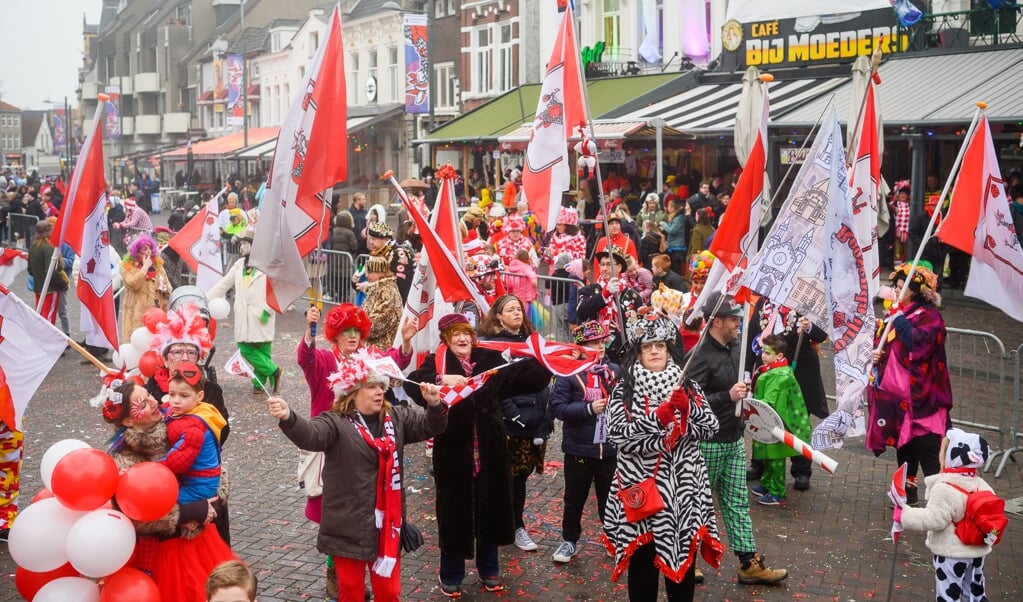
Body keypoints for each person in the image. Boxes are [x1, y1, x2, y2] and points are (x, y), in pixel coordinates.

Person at [270, 349, 447, 602]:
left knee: (390, 593)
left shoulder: (395, 417)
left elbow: (431, 426)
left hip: (388, 525)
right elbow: (310, 435)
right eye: (370, 387)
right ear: (352, 392)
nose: (379, 392)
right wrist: (289, 417)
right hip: (348, 524)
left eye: (380, 386)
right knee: (351, 592)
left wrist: (434, 405)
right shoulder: (335, 422)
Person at [403, 313, 553, 597]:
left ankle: (490, 570)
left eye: (466, 333)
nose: (462, 339)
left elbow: (525, 379)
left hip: (491, 450)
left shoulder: (489, 359)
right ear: (446, 339)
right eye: (455, 335)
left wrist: (547, 360)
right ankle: (451, 573)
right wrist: (440, 379)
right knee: (454, 513)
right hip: (453, 451)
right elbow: (412, 383)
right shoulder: (438, 360)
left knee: (490, 509)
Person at [299, 303, 417, 598]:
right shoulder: (325, 359)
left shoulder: (372, 359)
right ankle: (336, 569)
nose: (352, 337)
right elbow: (306, 359)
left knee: (365, 504)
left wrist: (405, 341)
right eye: (345, 332)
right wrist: (309, 333)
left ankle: (360, 567)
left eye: (356, 331)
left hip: (365, 449)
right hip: (329, 443)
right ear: (335, 336)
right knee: (335, 509)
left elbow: (394, 363)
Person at [604, 314, 724, 601]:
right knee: (643, 568)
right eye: (648, 347)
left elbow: (710, 427)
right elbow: (618, 435)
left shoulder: (688, 386)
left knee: (682, 573)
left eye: (660, 345)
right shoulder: (624, 390)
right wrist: (657, 419)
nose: (655, 351)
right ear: (638, 352)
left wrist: (688, 411)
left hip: (683, 495)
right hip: (642, 495)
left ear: (669, 349)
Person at [685, 291, 788, 585]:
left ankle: (749, 563)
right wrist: (726, 397)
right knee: (696, 504)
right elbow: (690, 400)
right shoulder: (699, 356)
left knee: (737, 503)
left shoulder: (736, 347)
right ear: (716, 321)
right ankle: (687, 560)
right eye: (733, 319)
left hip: (733, 439)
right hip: (707, 443)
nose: (738, 324)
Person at [101, 377, 236, 602]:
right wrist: (189, 512)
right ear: (126, 420)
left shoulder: (178, 424)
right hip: (163, 551)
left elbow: (212, 466)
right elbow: (133, 514)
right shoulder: (122, 457)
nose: (153, 402)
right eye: (142, 404)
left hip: (198, 540)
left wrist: (214, 496)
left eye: (149, 395)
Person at [868, 261, 952, 505]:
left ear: (918, 292)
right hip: (899, 397)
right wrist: (876, 354)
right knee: (904, 445)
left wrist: (898, 319)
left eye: (902, 287)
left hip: (924, 396)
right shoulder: (896, 315)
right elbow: (888, 346)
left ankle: (941, 498)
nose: (897, 291)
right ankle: (907, 489)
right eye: (895, 286)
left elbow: (918, 343)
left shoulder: (931, 318)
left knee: (928, 446)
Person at [478, 295, 554, 553]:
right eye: (509, 309)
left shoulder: (533, 342)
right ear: (498, 316)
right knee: (507, 479)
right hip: (511, 423)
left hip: (536, 423)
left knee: (522, 477)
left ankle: (514, 522)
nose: (516, 313)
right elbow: (495, 387)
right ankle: (512, 524)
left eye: (518, 309)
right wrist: (515, 415)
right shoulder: (493, 346)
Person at [894, 428, 997, 602]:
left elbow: (934, 519)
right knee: (973, 591)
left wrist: (904, 515)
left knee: (949, 592)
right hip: (978, 551)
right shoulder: (982, 484)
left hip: (951, 553)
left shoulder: (945, 488)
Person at [549, 321, 620, 564]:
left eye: (602, 342)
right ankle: (569, 541)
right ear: (580, 347)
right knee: (574, 498)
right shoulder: (568, 372)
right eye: (592, 344)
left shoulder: (615, 371)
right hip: (579, 448)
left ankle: (612, 538)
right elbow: (558, 407)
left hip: (609, 449)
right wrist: (589, 408)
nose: (599, 348)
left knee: (610, 497)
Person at [745, 297, 828, 490]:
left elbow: (821, 334)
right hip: (767, 372)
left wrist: (809, 328)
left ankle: (801, 470)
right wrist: (747, 369)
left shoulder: (803, 302)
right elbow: (752, 336)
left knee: (796, 422)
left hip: (798, 372)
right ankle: (760, 464)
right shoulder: (762, 303)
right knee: (763, 416)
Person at [206, 235, 281, 394]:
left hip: (262, 314)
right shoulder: (239, 264)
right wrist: (204, 298)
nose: (241, 247)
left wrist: (268, 309)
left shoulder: (268, 265)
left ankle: (258, 383)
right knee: (245, 348)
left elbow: (278, 290)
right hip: (244, 315)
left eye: (245, 244)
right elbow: (224, 284)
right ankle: (273, 370)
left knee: (262, 349)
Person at [747, 335, 812, 506]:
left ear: (779, 356)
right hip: (769, 421)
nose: (763, 356)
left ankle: (777, 492)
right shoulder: (771, 370)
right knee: (767, 456)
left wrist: (751, 408)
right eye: (763, 352)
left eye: (768, 353)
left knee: (775, 457)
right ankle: (768, 484)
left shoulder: (778, 375)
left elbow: (770, 401)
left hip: (777, 423)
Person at [160, 361, 227, 505]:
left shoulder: (194, 428)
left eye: (184, 396)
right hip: (188, 479)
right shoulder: (182, 409)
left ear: (200, 396)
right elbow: (163, 410)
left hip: (199, 487)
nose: (176, 401)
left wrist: (147, 469)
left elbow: (177, 464)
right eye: (171, 394)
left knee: (160, 501)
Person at [120, 234, 171, 343]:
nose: (148, 252)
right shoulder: (128, 266)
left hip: (156, 315)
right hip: (136, 315)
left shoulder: (157, 265)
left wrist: (164, 289)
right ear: (137, 252)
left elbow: (168, 287)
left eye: (150, 248)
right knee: (137, 345)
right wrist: (145, 268)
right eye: (145, 249)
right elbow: (133, 284)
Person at [26, 218, 69, 325]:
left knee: (40, 316)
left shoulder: (33, 246)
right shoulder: (48, 248)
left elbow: (30, 270)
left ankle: (39, 339)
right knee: (48, 319)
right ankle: (46, 341)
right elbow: (51, 272)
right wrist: (63, 284)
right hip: (50, 289)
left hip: (38, 289)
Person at [358, 256, 402, 350]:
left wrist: (358, 330)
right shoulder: (378, 289)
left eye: (370, 272)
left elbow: (380, 322)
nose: (366, 275)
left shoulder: (388, 292)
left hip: (382, 348)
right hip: (372, 346)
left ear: (380, 272)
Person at [660, 198, 693, 276]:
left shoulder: (679, 218)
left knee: (677, 269)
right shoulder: (674, 217)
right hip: (672, 246)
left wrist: (663, 224)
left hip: (677, 247)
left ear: (673, 208)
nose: (667, 208)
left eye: (668, 206)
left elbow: (672, 230)